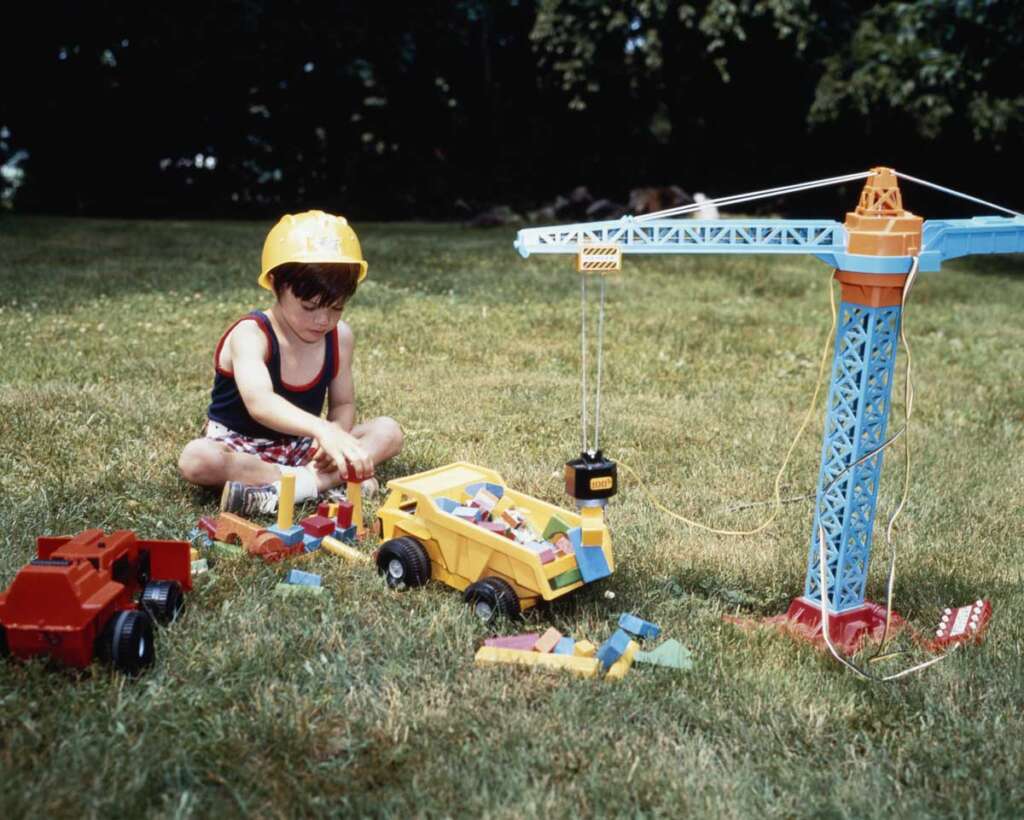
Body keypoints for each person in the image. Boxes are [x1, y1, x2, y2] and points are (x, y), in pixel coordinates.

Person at [177, 211, 403, 515]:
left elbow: (343, 404)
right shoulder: (251, 334)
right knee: (197, 459)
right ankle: (321, 484)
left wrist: (333, 438)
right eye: (309, 307)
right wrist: (324, 431)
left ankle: (295, 486)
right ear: (274, 283)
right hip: (242, 451)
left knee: (389, 431)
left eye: (337, 308)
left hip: (301, 448)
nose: (323, 319)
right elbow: (261, 403)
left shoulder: (340, 338)